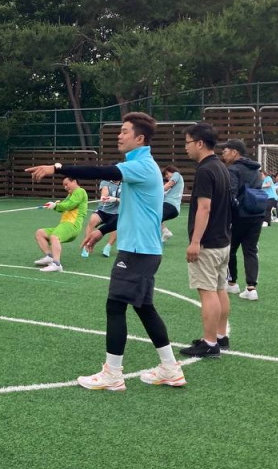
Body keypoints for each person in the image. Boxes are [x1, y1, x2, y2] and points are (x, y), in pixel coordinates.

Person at [27, 112, 187, 391]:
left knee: (115, 306)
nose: (119, 135)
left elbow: (100, 171)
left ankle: (113, 374)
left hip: (138, 252)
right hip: (143, 250)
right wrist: (101, 231)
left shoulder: (143, 166)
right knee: (144, 307)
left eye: (125, 131)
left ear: (140, 138)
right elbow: (133, 210)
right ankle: (170, 369)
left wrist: (57, 167)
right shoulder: (139, 165)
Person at [179, 123, 232, 358]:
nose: (186, 148)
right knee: (220, 289)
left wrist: (195, 241)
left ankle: (209, 343)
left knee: (207, 291)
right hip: (223, 241)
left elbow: (204, 207)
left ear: (200, 143)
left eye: (188, 142)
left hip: (209, 244)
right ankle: (220, 335)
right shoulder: (221, 166)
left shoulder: (204, 170)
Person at [221, 139, 265, 301]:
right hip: (257, 213)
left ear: (234, 152)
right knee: (251, 250)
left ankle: (232, 283)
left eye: (225, 150)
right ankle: (251, 288)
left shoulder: (233, 169)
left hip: (240, 215)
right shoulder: (255, 168)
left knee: (229, 249)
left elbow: (230, 194)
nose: (223, 154)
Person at [33, 176, 88, 273]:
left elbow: (69, 205)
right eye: (64, 185)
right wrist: (55, 205)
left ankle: (57, 264)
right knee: (40, 233)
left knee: (55, 236)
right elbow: (63, 206)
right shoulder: (70, 194)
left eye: (67, 184)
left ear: (74, 181)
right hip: (64, 225)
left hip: (72, 225)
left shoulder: (80, 191)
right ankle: (49, 257)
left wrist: (56, 205)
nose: (65, 187)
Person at [81, 180, 119, 258]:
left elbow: (127, 200)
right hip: (102, 210)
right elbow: (104, 190)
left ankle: (108, 246)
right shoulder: (105, 181)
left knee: (117, 226)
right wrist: (104, 196)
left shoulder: (125, 184)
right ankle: (87, 245)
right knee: (93, 220)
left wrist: (115, 199)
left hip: (116, 213)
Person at [161, 165, 184, 241]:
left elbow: (169, 184)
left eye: (167, 174)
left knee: (152, 217)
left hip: (170, 205)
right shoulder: (174, 187)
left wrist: (157, 189)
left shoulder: (176, 174)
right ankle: (166, 231)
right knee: (155, 218)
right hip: (175, 210)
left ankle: (150, 239)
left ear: (172, 171)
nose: (167, 177)